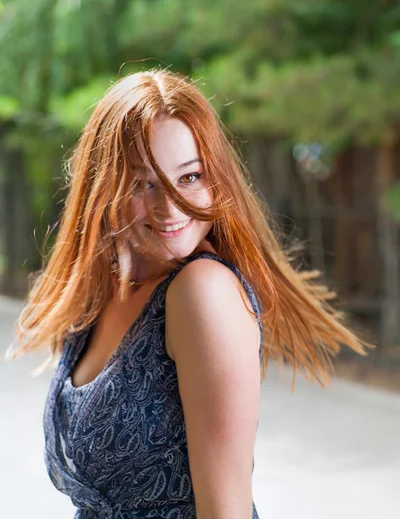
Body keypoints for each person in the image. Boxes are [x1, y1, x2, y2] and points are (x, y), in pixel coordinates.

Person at [8, 69, 368, 519]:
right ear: (104, 189)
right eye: (143, 184)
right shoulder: (110, 291)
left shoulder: (202, 293)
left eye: (190, 177)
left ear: (216, 178)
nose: (170, 207)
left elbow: (225, 512)